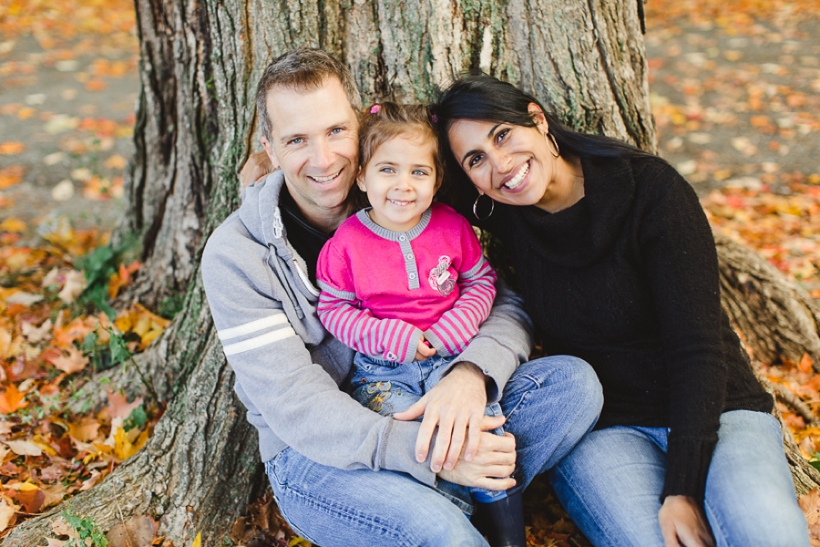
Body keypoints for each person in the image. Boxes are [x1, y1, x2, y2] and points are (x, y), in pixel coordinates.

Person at [201, 49, 603, 547]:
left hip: (438, 390)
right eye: (296, 140)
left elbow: (501, 299)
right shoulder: (236, 256)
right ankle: (453, 500)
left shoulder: (403, 189)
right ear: (270, 148)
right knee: (441, 533)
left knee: (573, 386)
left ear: (355, 125)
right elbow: (294, 405)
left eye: (334, 132)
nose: (324, 160)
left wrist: (470, 375)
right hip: (321, 455)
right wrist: (431, 448)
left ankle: (461, 491)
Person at [432, 74, 810, 547]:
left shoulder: (651, 192)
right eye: (476, 159)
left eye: (503, 134)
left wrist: (683, 489)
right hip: (607, 429)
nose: (501, 164)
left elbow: (698, 350)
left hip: (716, 408)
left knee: (765, 532)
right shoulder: (505, 208)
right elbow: (405, 175)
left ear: (537, 119)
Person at [315, 101, 524, 545]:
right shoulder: (346, 244)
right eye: (388, 170)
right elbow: (333, 310)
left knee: (485, 431)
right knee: (418, 443)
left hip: (454, 361)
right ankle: (454, 523)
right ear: (361, 177)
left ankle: (506, 537)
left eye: (418, 172)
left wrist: (454, 328)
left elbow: (481, 282)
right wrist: (391, 338)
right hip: (382, 374)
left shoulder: (451, 227)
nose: (403, 186)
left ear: (436, 179)